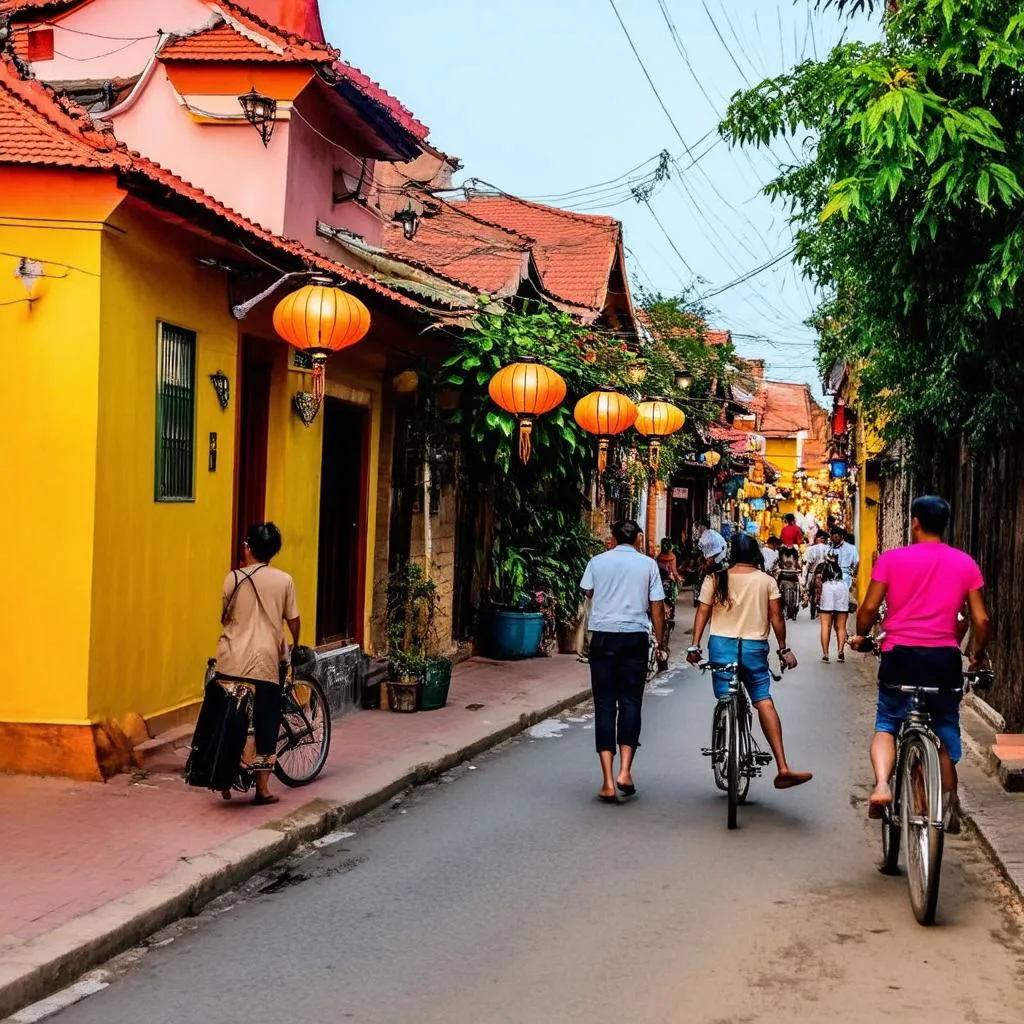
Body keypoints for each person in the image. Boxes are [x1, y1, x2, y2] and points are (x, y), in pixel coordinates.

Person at [850, 496, 990, 832]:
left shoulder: (891, 560)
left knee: (887, 721)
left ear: (914, 522)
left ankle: (883, 784)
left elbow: (868, 608)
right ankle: (948, 803)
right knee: (943, 726)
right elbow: (981, 620)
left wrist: (863, 635)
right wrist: (977, 653)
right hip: (943, 659)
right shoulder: (965, 563)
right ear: (945, 524)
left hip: (900, 656)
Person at [687, 533, 812, 790]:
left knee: (726, 696)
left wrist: (695, 645)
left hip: (722, 646)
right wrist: (783, 649)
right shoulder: (766, 581)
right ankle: (783, 767)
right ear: (756, 554)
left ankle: (725, 733)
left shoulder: (716, 578)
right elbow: (777, 618)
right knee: (763, 701)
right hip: (754, 648)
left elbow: (703, 611)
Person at [580, 519, 666, 804]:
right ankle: (625, 772)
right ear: (638, 539)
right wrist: (660, 644)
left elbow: (588, 592)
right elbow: (657, 607)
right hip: (634, 638)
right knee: (630, 702)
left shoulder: (597, 561)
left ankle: (606, 781)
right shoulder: (648, 565)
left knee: (604, 704)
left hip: (603, 637)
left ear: (612, 539)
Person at [215, 522, 300, 806]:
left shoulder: (232, 579)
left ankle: (225, 775)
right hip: (265, 661)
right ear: (273, 551)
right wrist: (294, 643)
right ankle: (262, 789)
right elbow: (293, 620)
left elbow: (225, 617)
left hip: (231, 660)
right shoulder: (284, 580)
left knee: (229, 720)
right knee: (266, 724)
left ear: (248, 548)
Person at [817, 554, 849, 662]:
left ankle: (825, 654)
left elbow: (817, 588)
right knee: (841, 626)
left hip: (827, 595)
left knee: (826, 626)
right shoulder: (843, 584)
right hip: (842, 594)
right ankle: (840, 651)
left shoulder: (825, 584)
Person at [802, 529, 830, 619]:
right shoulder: (829, 549)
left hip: (813, 574)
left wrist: (804, 579)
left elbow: (806, 564)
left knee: (811, 592)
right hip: (825, 576)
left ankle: (813, 612)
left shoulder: (810, 549)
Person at [776, 544, 802, 620]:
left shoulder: (781, 555)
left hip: (785, 577)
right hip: (792, 577)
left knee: (780, 593)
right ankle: (793, 611)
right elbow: (798, 565)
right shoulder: (794, 555)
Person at [830, 526, 859, 591]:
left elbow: (857, 563)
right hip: (832, 579)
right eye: (833, 537)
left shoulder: (851, 548)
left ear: (841, 536)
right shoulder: (829, 549)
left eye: (836, 537)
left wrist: (853, 577)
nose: (834, 539)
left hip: (845, 578)